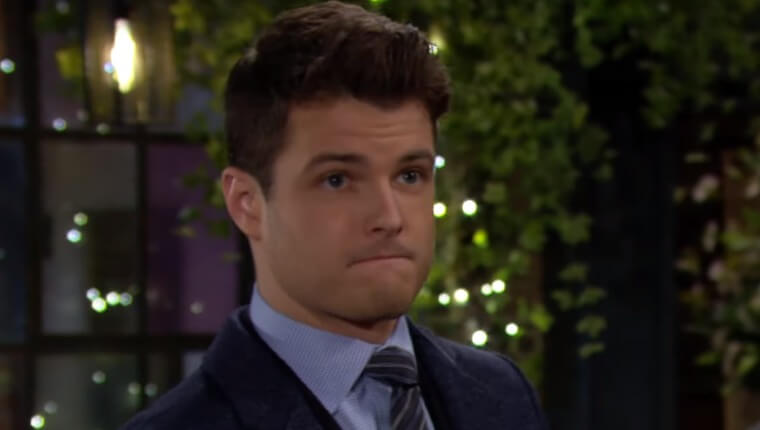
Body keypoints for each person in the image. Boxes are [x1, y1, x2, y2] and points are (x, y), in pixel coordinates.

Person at [120, 2, 547, 429]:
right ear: (246, 203)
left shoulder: (503, 395)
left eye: (410, 175)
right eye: (337, 180)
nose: (389, 217)